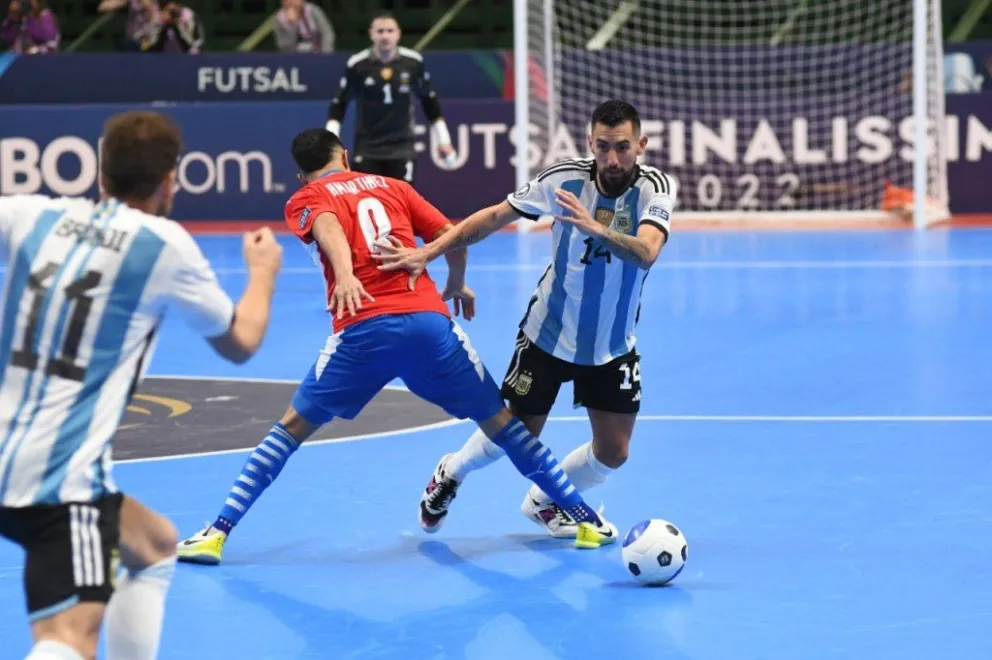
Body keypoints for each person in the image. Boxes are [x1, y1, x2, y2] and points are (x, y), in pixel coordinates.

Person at [176, 128, 617, 566]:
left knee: (289, 429)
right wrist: (457, 283)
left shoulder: (306, 198)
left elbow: (327, 223)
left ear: (301, 176)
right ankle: (583, 519)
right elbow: (451, 233)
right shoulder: (394, 186)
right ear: (345, 156)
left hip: (364, 329)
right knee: (504, 424)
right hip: (429, 324)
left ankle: (216, 534)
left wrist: (345, 273)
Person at [0, 111, 282, 660]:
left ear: (99, 172)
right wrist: (262, 272)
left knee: (152, 545)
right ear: (170, 180)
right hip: (59, 475)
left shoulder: (27, 213)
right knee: (67, 640)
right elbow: (240, 341)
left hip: (8, 447)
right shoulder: (163, 246)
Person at [374, 99, 676, 540]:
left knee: (614, 452)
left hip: (611, 342)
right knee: (513, 436)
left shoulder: (655, 187)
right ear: (590, 142)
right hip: (548, 334)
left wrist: (595, 228)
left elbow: (647, 251)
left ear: (641, 145)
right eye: (603, 146)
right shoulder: (564, 179)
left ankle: (543, 502)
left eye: (623, 147)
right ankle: (452, 470)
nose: (612, 159)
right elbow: (494, 216)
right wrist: (429, 251)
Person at [324, 12, 456, 185]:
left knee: (401, 204)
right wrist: (330, 147)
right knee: (367, 202)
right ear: (371, 34)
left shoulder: (413, 63)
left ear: (398, 34)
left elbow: (429, 102)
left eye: (389, 31)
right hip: (367, 148)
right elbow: (339, 105)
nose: (385, 36)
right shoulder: (357, 65)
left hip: (402, 147)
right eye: (380, 31)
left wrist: (444, 140)